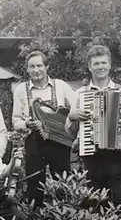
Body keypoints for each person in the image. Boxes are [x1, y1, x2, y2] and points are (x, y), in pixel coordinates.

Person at [65, 45, 121, 211]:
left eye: (103, 63)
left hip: (118, 157)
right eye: (96, 63)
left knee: (120, 202)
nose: (100, 67)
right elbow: (70, 132)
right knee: (93, 202)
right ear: (89, 67)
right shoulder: (80, 94)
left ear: (110, 65)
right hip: (92, 156)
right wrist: (72, 117)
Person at [12, 50, 76, 208]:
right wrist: (26, 124)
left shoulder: (60, 86)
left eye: (39, 65)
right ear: (27, 69)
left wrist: (70, 128)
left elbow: (76, 109)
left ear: (47, 67)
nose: (36, 70)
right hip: (34, 142)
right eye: (31, 67)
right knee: (34, 184)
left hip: (59, 142)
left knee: (62, 183)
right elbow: (15, 120)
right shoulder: (21, 89)